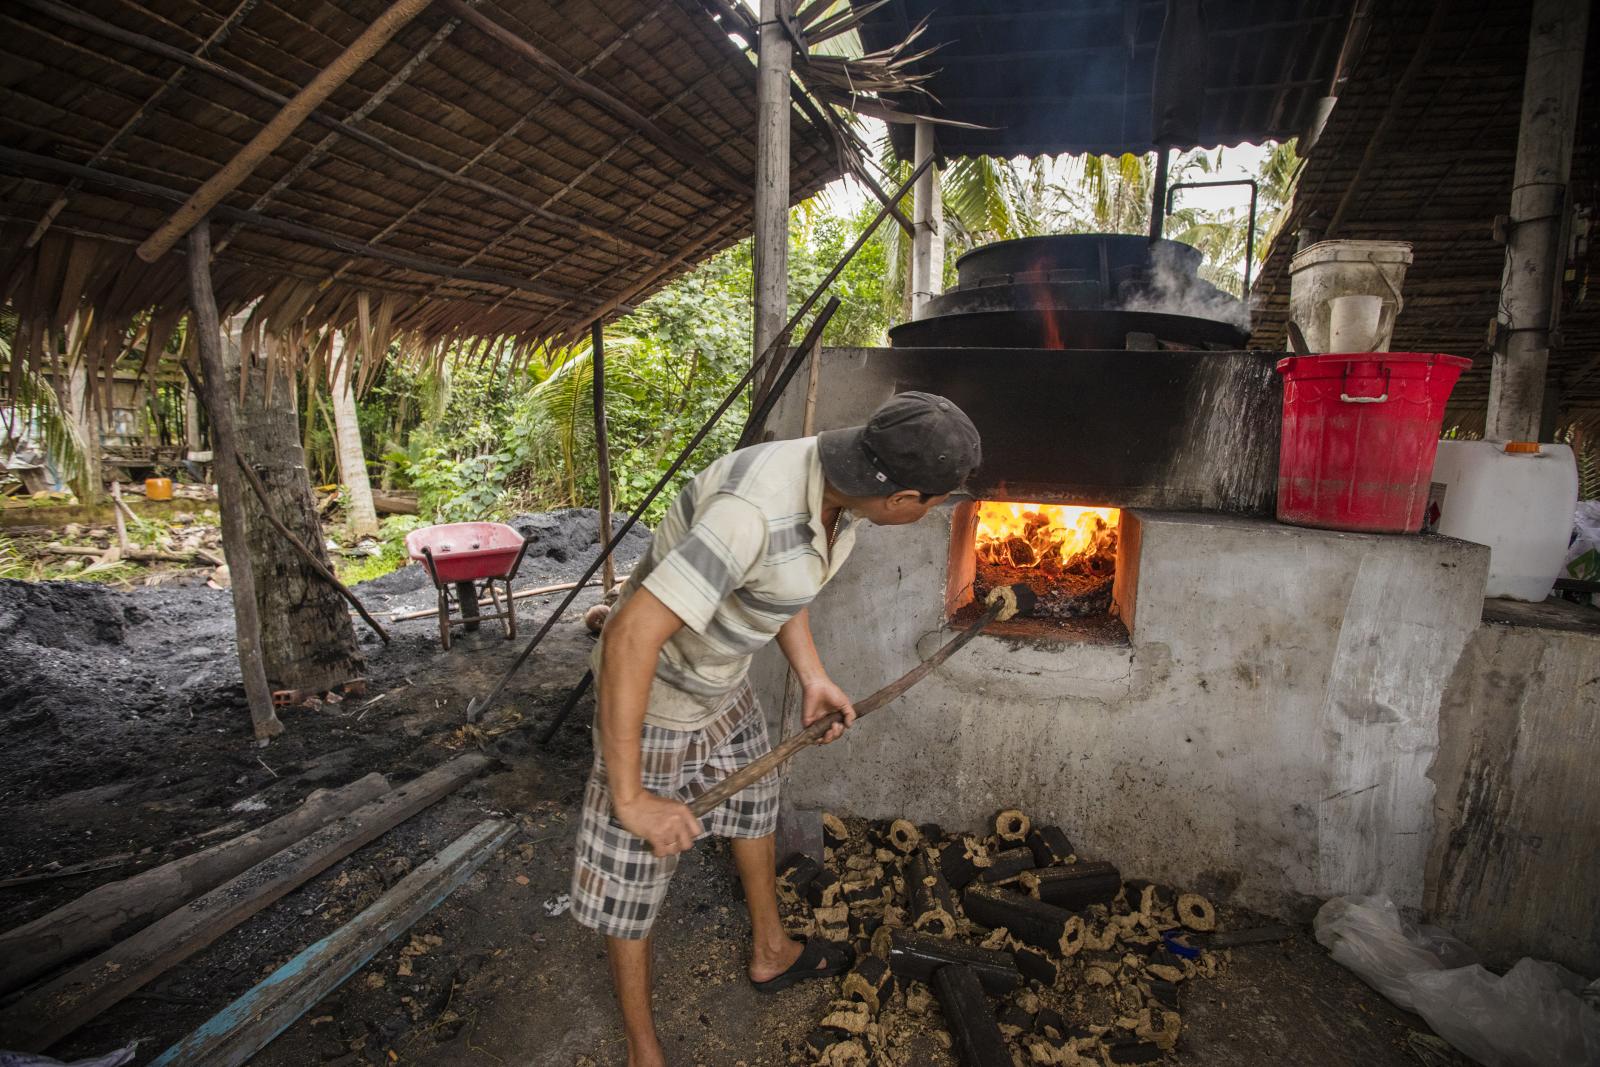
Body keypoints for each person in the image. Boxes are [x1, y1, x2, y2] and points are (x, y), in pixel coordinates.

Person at [570, 391, 982, 1067]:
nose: (932, 512)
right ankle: (644, 1050)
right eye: (935, 503)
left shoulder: (836, 491)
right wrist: (632, 795)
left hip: (722, 681)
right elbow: (629, 636)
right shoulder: (751, 513)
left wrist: (813, 675)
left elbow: (781, 582)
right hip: (655, 699)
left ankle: (771, 949)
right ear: (904, 497)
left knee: (754, 803)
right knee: (633, 876)